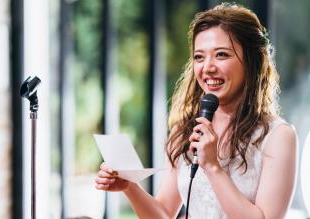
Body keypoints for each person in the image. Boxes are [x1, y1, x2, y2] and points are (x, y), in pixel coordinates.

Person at [95, 3, 297, 219]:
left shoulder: (278, 136)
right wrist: (129, 187)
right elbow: (163, 214)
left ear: (251, 61)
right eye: (199, 57)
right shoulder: (185, 132)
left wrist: (213, 167)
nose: (207, 67)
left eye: (221, 55)